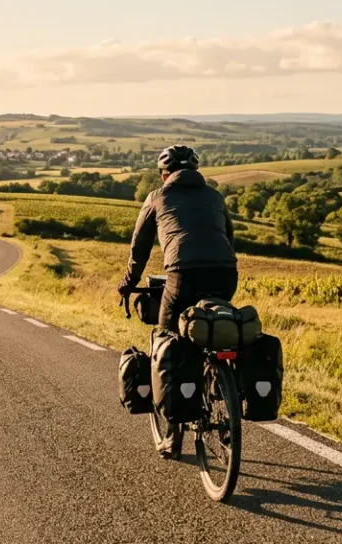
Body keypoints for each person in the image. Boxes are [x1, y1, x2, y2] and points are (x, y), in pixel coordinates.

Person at [117, 145, 237, 457]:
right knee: (213, 327)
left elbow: (139, 249)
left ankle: (172, 435)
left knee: (166, 339)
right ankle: (220, 391)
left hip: (182, 276)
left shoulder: (157, 196)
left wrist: (127, 284)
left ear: (164, 173)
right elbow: (228, 236)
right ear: (197, 171)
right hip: (226, 274)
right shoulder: (215, 196)